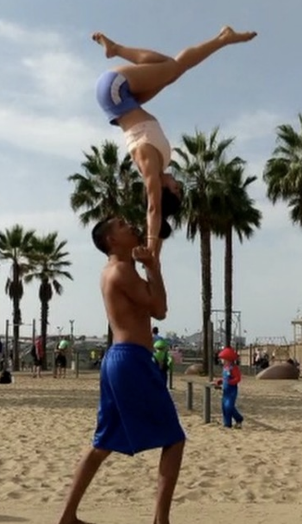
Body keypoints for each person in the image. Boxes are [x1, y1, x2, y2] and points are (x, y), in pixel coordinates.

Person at [55, 216, 185, 524]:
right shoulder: (122, 270)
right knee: (174, 438)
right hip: (131, 359)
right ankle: (160, 520)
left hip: (119, 358)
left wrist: (148, 265)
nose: (130, 226)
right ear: (112, 241)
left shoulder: (114, 270)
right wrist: (152, 267)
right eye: (122, 225)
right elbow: (159, 309)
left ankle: (67, 516)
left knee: (102, 443)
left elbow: (152, 306)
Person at [92, 26, 257, 258]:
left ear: (162, 189)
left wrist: (151, 247)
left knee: (174, 67)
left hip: (114, 90)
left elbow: (153, 208)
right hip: (125, 99)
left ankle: (223, 39)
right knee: (173, 69)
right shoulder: (160, 162)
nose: (179, 184)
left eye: (176, 190)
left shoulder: (148, 162)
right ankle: (222, 39)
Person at [213, 346, 243, 429]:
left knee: (229, 406)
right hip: (225, 389)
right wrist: (220, 381)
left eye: (223, 359)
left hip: (232, 389)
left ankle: (238, 418)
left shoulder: (234, 368)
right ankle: (227, 423)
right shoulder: (225, 368)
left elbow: (238, 378)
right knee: (224, 406)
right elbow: (224, 378)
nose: (222, 361)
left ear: (228, 359)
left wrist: (230, 382)